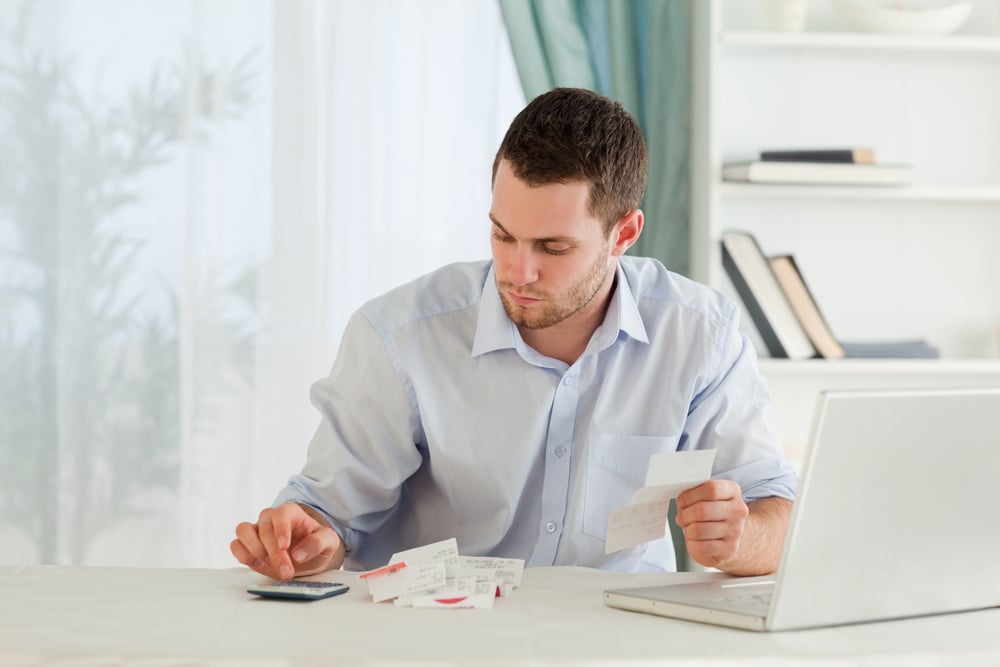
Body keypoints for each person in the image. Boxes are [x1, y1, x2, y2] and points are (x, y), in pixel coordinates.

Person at [231, 87, 797, 581]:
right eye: (503, 236)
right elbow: (330, 516)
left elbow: (777, 509)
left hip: (612, 640)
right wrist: (307, 541)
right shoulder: (400, 337)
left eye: (553, 248)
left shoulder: (699, 336)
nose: (518, 273)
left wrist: (741, 539)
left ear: (624, 232)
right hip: (439, 639)